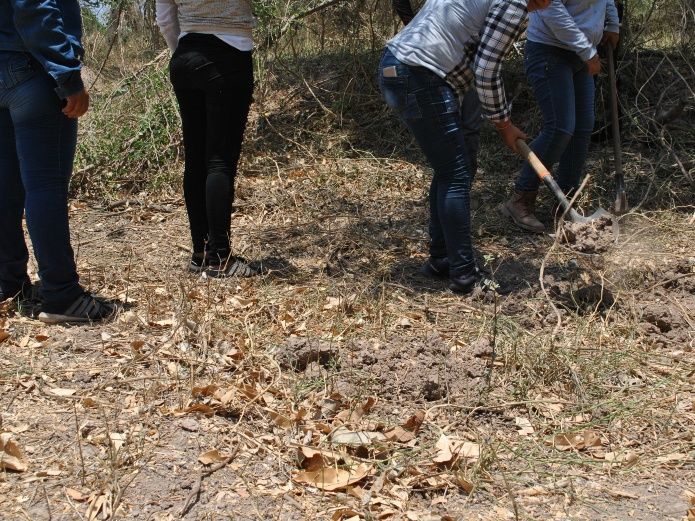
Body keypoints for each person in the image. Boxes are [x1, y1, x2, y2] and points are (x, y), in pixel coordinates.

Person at [379, 0, 551, 294]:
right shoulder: (515, 3)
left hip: (396, 66)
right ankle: (464, 276)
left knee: (448, 171)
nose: (547, 6)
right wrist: (503, 124)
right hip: (419, 74)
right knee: (456, 175)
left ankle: (442, 260)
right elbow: (485, 70)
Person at [0, 0, 115, 323]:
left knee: (6, 185)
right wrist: (66, 74)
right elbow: (32, 5)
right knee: (45, 186)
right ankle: (62, 295)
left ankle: (9, 284)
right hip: (33, 71)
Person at [156, 0, 259, 278]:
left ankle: (201, 253)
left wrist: (185, 50)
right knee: (219, 162)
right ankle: (220, 259)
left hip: (185, 55)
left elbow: (165, 19)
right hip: (229, 54)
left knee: (196, 159)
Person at [501, 0, 620, 232]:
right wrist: (587, 51)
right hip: (550, 50)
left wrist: (612, 23)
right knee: (561, 127)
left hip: (582, 53)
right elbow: (550, 7)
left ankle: (566, 202)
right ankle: (520, 198)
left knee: (583, 127)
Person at [391, 0, 482, 178]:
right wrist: (417, 30)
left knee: (469, 128)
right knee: (449, 129)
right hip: (438, 59)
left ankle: (462, 188)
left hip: (476, 57)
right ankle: (455, 186)